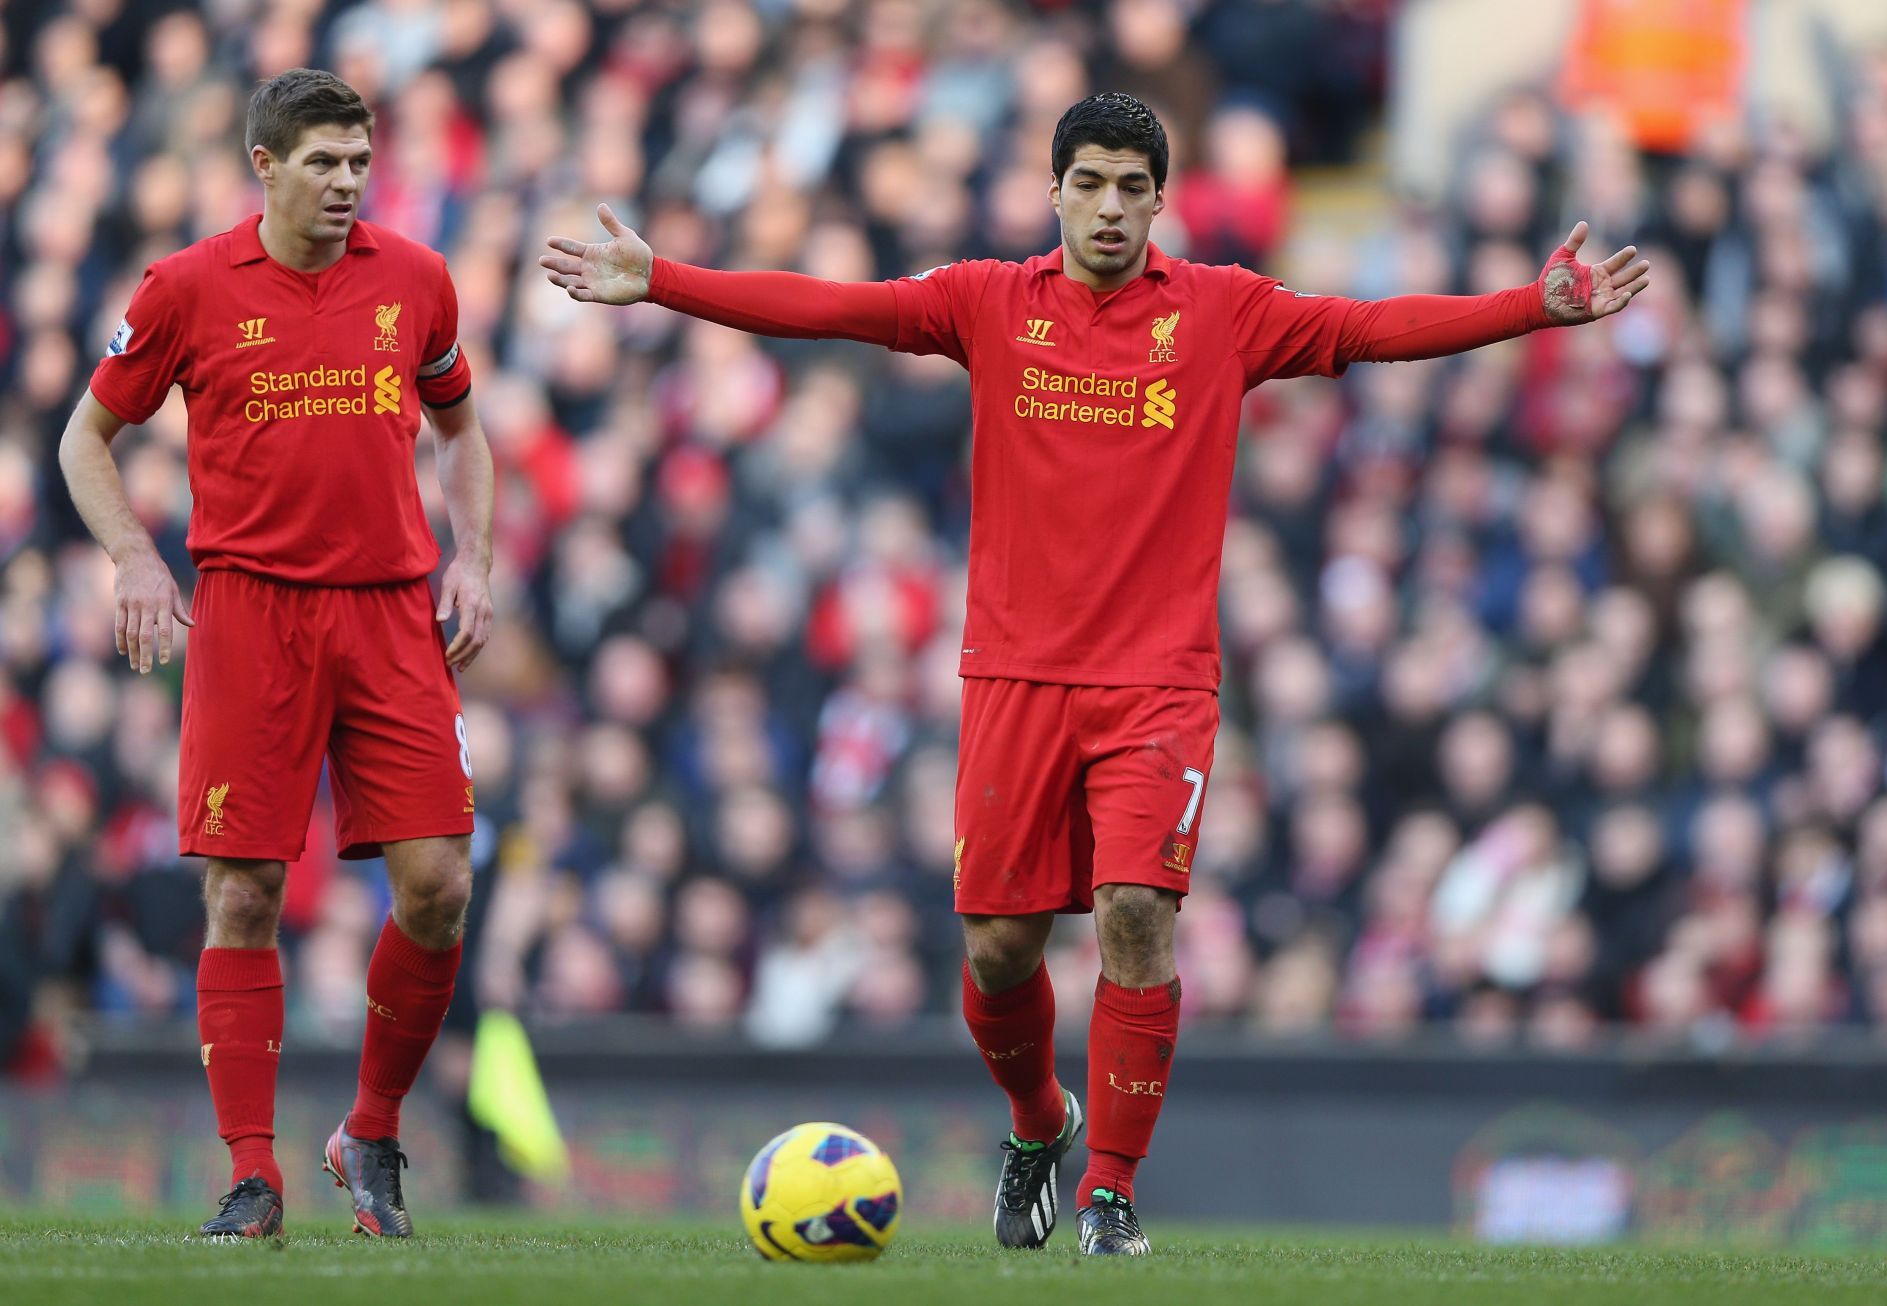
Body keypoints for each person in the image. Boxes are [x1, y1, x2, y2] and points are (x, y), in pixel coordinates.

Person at [542, 91, 1648, 1256]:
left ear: (1161, 200)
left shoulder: (1225, 312)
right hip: (1014, 677)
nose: (1111, 208)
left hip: (1159, 684)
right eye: (1090, 184)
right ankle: (1041, 1122)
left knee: (1136, 914)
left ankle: (1110, 1192)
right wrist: (663, 278)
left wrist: (1538, 304)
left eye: (1133, 187)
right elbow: (839, 309)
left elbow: (1374, 327)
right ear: (1054, 192)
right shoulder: (988, 301)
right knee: (999, 953)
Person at [59, 68, 496, 1241]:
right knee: (243, 890)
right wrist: (136, 561)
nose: (348, 182)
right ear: (266, 163)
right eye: (324, 162)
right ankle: (252, 1175)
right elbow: (84, 440)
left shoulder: (417, 278)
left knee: (441, 885)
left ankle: (372, 1127)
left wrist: (476, 554)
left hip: (391, 609)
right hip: (251, 612)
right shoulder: (187, 288)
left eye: (360, 162)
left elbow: (460, 426)